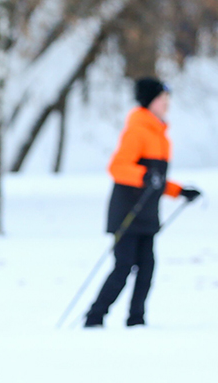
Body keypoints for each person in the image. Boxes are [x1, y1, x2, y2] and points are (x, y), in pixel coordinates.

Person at [85, 77, 201, 328]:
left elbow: (157, 181)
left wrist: (180, 191)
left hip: (147, 214)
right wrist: (144, 175)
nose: (167, 103)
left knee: (147, 267)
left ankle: (136, 319)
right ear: (150, 101)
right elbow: (117, 168)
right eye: (162, 98)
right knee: (124, 266)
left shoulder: (161, 136)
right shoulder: (137, 130)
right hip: (127, 211)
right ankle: (95, 317)